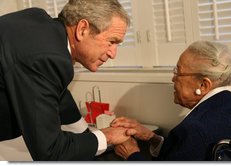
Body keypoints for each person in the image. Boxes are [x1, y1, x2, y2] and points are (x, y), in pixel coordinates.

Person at [0, 0, 132, 161]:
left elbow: (58, 94)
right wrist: (107, 137)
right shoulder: (48, 57)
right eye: (111, 42)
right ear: (82, 29)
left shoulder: (38, 19)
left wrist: (87, 134)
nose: (113, 54)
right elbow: (50, 153)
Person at [111, 40, 231, 161]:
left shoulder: (194, 129)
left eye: (178, 72)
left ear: (203, 85)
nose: (173, 78)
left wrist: (131, 154)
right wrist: (153, 138)